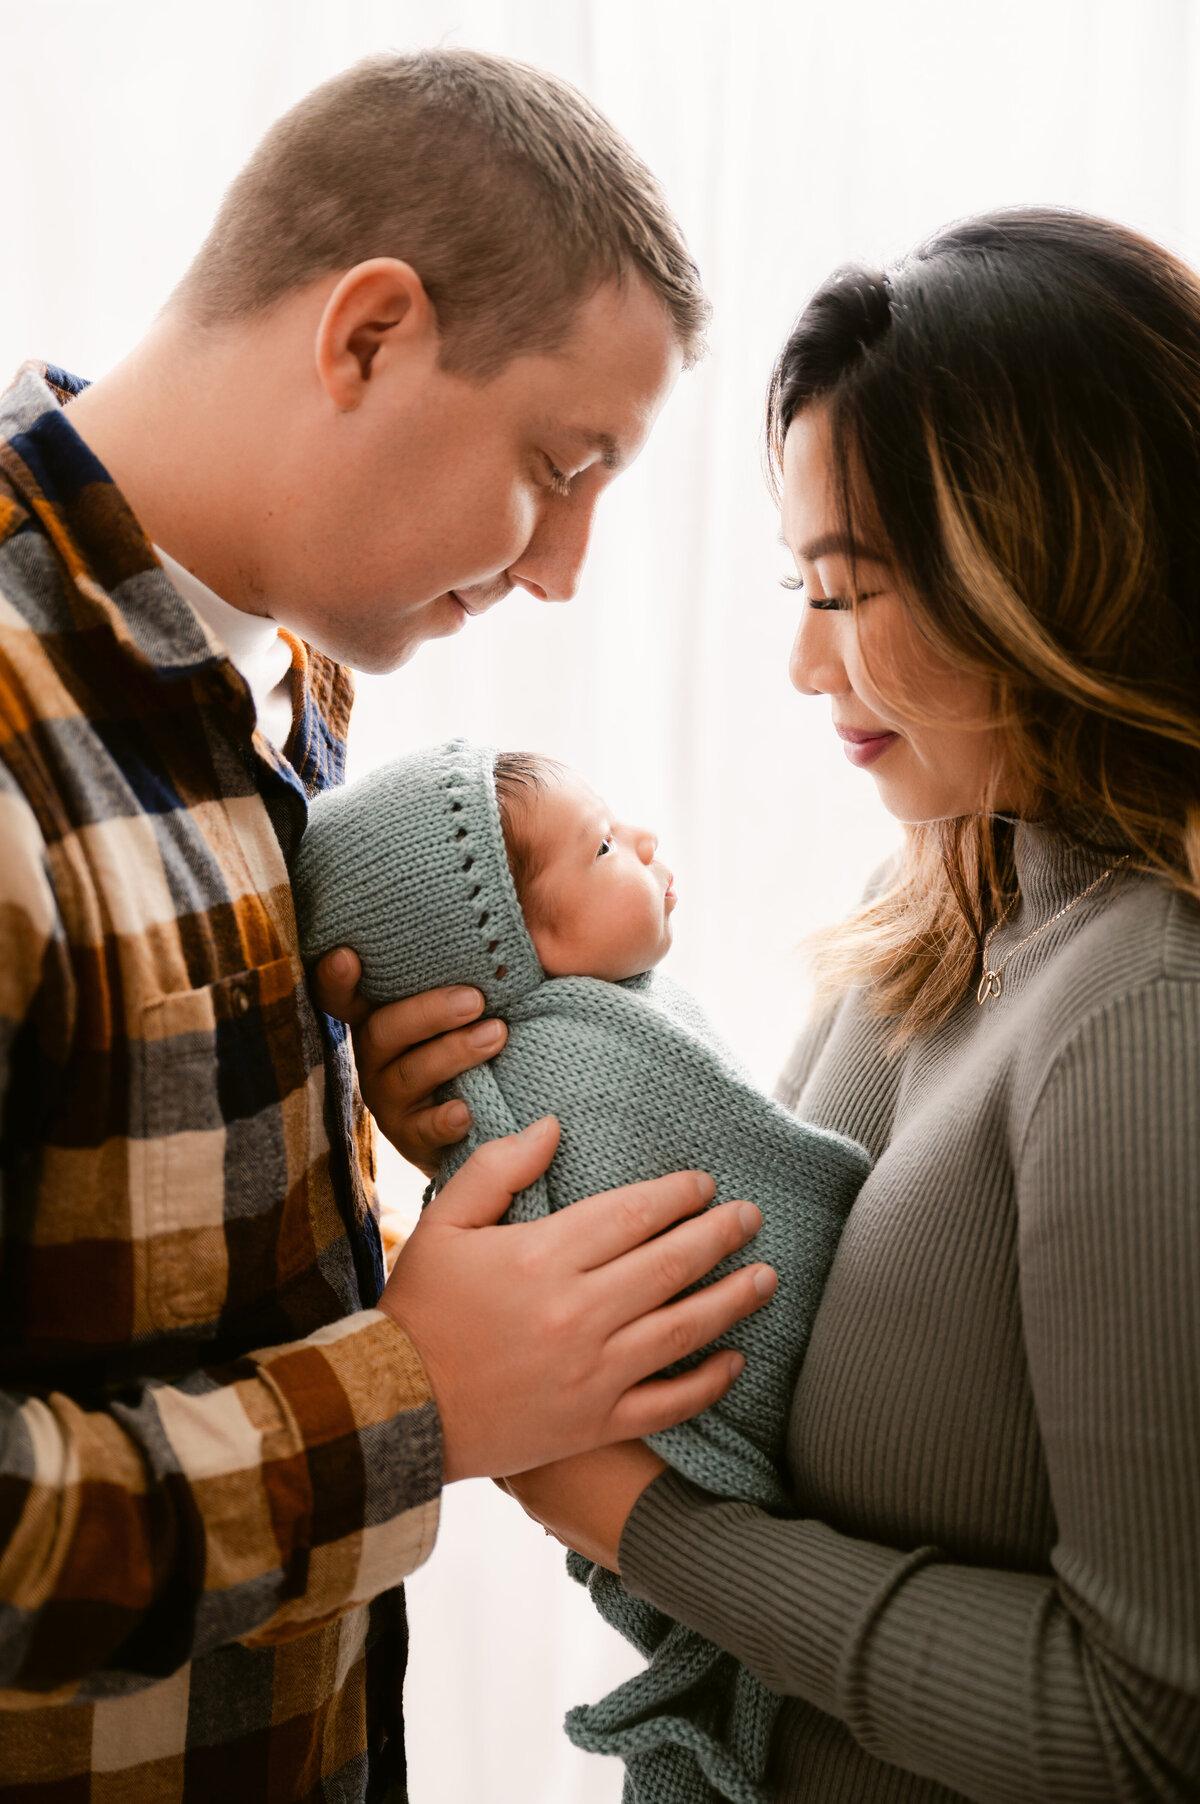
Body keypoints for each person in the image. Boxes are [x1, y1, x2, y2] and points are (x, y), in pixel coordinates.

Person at [0, 49, 779, 1803]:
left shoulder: (287, 673)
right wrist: (411, 1391)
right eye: (558, 464)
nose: (567, 565)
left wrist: (333, 1123)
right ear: (366, 335)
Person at [398, 209, 1200, 1801]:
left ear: (1042, 570)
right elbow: (748, 1464)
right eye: (798, 583)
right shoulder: (932, 929)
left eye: (849, 590)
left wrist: (632, 1513)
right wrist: (519, 1126)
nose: (799, 665)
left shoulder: (1142, 1016)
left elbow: (1150, 1734)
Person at [289, 736, 871, 1802]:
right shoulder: (564, 1077)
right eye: (604, 846)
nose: (644, 841)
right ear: (509, 957)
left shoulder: (622, 1008)